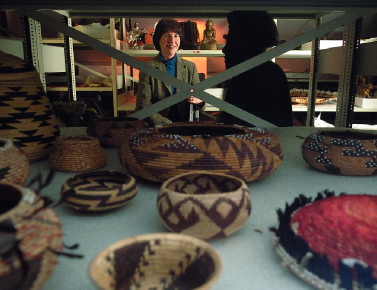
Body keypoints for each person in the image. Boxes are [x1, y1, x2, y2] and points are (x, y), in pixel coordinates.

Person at [218, 11, 293, 127]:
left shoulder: (268, 75)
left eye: (231, 41)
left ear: (246, 44)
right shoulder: (246, 75)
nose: (225, 50)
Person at [135, 18, 204, 126]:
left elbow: (201, 100)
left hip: (185, 126)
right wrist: (169, 125)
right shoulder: (147, 68)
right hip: (158, 127)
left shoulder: (190, 67)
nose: (172, 41)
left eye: (176, 35)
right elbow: (142, 106)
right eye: (167, 35)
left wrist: (199, 101)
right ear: (158, 39)